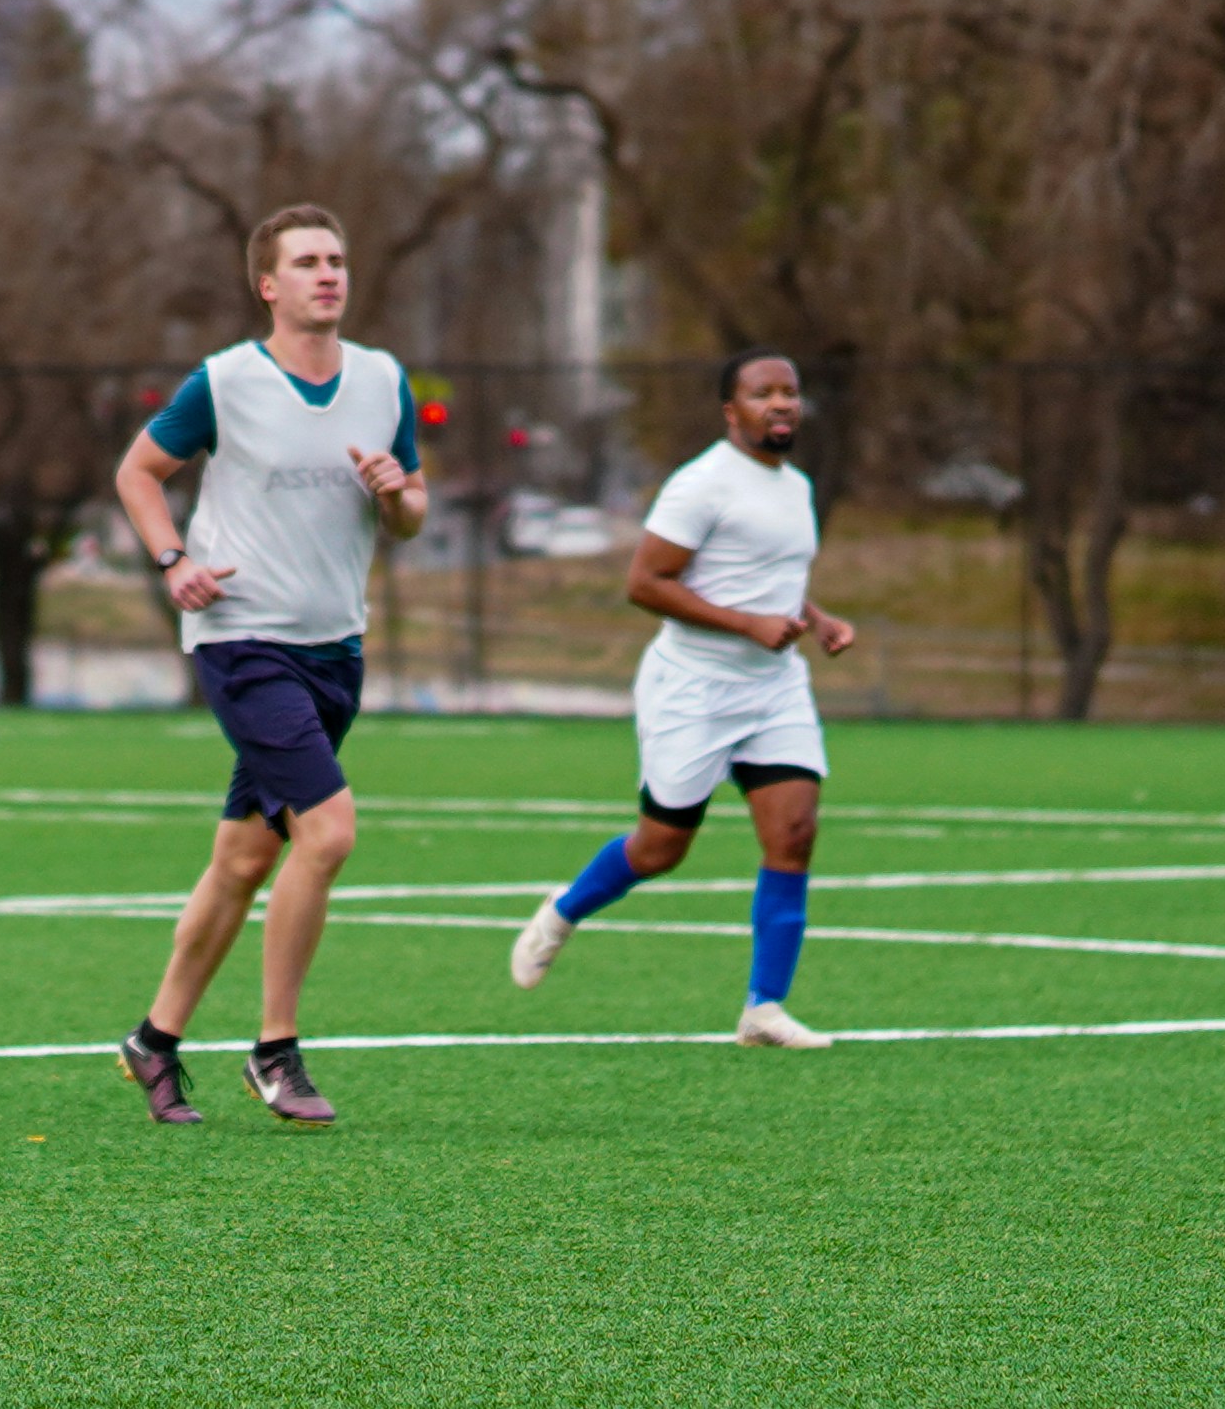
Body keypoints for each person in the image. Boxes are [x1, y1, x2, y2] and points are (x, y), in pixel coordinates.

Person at [108, 204, 427, 1129]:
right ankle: (275, 1051)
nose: (328, 274)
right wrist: (174, 561)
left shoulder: (381, 379)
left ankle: (154, 1041)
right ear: (267, 285)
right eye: (307, 263)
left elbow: (412, 511)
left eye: (336, 260)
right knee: (326, 833)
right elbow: (138, 473)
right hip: (244, 642)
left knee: (246, 857)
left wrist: (395, 494)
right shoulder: (224, 381)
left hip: (336, 647)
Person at [506, 350, 857, 1051]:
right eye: (763, 394)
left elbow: (765, 573)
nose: (781, 404)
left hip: (774, 686)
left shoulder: (796, 486)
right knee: (661, 847)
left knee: (793, 835)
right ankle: (564, 910)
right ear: (732, 411)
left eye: (789, 391)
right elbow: (646, 583)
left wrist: (814, 619)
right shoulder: (699, 485)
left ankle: (763, 1009)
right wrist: (748, 626)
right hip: (693, 689)